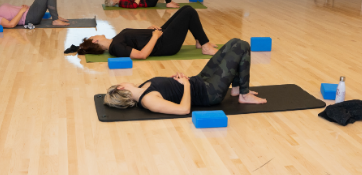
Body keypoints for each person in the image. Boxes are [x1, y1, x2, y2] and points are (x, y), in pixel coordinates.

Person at [103, 38, 267, 114]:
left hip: (200, 79)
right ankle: (244, 95)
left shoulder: (142, 87)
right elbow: (184, 109)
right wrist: (186, 85)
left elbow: (169, 90)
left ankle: (237, 89)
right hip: (208, 92)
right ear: (121, 87)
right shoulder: (148, 100)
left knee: (234, 42)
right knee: (243, 46)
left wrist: (176, 79)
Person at [78, 5, 217, 58]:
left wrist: (149, 31)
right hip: (164, 44)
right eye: (93, 36)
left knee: (184, 9)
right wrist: (155, 37)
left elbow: (136, 40)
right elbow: (142, 54)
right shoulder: (116, 48)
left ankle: (200, 41)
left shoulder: (115, 40)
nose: (95, 34)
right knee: (189, 11)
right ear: (95, 40)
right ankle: (205, 47)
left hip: (159, 37)